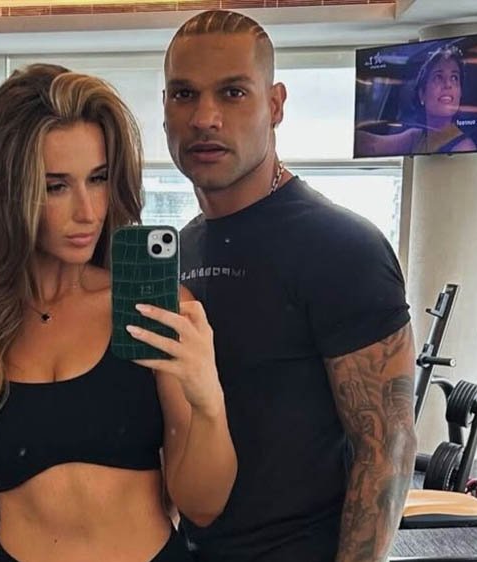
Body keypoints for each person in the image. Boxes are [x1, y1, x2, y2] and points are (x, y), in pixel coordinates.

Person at [0, 63, 237, 562]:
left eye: (97, 179)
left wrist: (208, 400)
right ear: (3, 193)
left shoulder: (151, 306)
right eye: (55, 186)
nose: (88, 211)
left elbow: (203, 507)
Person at [163, 10, 416, 562]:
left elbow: (386, 448)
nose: (205, 117)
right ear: (165, 109)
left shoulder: (343, 246)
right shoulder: (180, 249)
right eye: (184, 94)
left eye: (233, 93)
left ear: (275, 105)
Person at [354, 46, 477, 156]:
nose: (448, 84)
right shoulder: (417, 137)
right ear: (422, 94)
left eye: (454, 78)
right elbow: (372, 146)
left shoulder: (465, 147)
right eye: (438, 77)